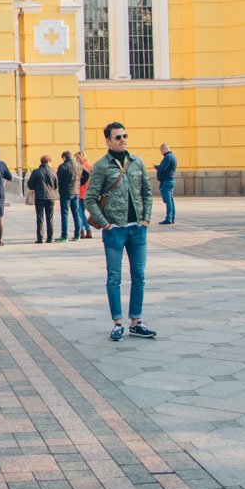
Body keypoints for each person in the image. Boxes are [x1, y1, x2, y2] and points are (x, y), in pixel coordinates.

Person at [85, 122, 157, 342]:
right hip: (114, 231)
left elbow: (147, 192)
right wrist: (106, 224)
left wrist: (145, 219)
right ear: (108, 141)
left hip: (137, 230)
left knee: (139, 276)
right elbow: (90, 199)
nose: (123, 139)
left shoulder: (137, 163)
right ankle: (118, 322)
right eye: (117, 137)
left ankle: (136, 321)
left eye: (124, 135)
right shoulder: (101, 166)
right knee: (114, 278)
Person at [27, 154, 59, 244]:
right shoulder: (53, 172)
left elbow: (30, 185)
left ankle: (40, 238)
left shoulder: (36, 172)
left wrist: (35, 188)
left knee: (40, 218)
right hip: (50, 197)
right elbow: (56, 185)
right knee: (50, 218)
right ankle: (50, 238)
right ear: (48, 162)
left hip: (39, 197)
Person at [57, 151, 81, 242]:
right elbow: (87, 174)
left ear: (64, 157)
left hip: (65, 192)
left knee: (65, 214)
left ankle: (64, 236)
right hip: (76, 192)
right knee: (76, 214)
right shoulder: (78, 165)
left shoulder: (63, 166)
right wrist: (80, 183)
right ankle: (77, 235)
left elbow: (58, 180)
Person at [155, 144, 177, 225]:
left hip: (166, 181)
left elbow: (162, 168)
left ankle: (169, 218)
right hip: (171, 180)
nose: (161, 153)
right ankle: (172, 217)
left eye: (161, 151)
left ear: (164, 149)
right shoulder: (173, 156)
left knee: (168, 201)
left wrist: (157, 167)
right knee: (171, 200)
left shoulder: (167, 157)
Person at [76, 150, 93, 239]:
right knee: (82, 212)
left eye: (77, 158)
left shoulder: (81, 167)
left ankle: (84, 229)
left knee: (80, 212)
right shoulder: (90, 166)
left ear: (81, 157)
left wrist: (80, 183)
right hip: (88, 191)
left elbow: (85, 177)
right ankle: (85, 230)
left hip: (80, 191)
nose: (76, 160)